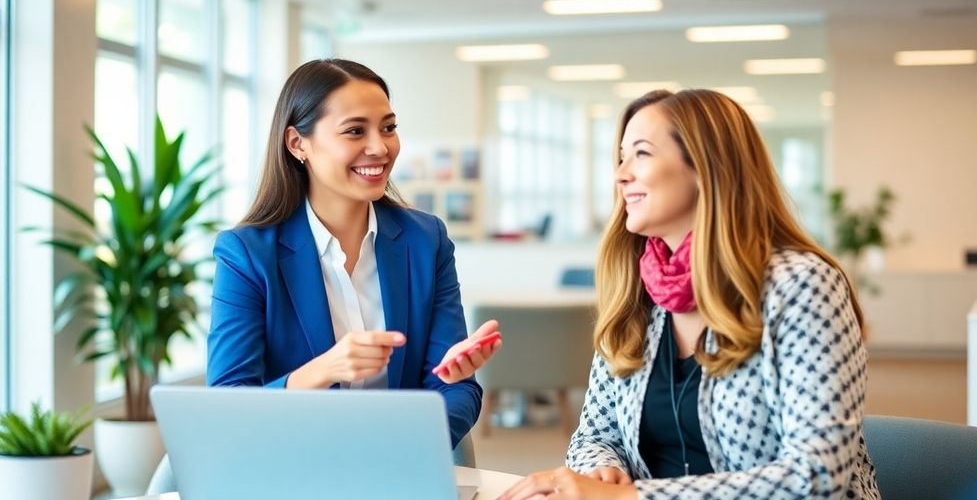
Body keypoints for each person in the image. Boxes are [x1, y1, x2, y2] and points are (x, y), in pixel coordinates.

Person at [499, 89, 880, 499]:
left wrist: (630, 497)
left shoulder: (801, 286)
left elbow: (817, 478)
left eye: (641, 154)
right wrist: (602, 468)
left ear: (705, 168)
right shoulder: (639, 290)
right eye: (621, 157)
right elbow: (594, 434)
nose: (621, 174)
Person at [207, 59, 500, 448]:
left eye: (389, 128)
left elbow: (458, 390)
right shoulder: (246, 254)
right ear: (298, 144)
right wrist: (320, 371)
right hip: (288, 467)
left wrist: (410, 438)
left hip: (401, 469)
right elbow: (227, 404)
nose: (380, 148)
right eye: (355, 131)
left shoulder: (426, 240)